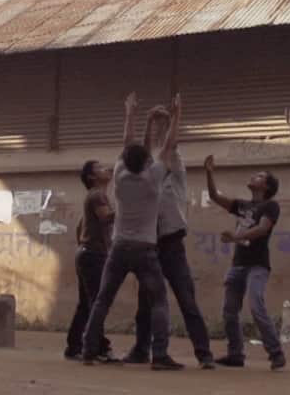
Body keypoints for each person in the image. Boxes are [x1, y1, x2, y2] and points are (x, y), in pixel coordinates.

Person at [81, 92, 185, 371]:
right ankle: (160, 355)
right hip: (145, 249)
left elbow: (127, 142)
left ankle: (88, 350)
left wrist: (132, 114)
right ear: (147, 163)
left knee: (103, 299)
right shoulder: (153, 178)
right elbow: (168, 146)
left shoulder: (119, 175)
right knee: (159, 301)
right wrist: (176, 116)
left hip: (118, 246)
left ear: (126, 161)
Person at [122, 95, 216, 369]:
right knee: (145, 304)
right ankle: (141, 350)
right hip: (150, 245)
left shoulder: (175, 174)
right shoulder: (149, 176)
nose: (162, 156)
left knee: (187, 300)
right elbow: (142, 151)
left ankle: (204, 354)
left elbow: (169, 145)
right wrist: (150, 121)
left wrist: (176, 116)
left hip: (172, 245)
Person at [204, 154, 286, 371]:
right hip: (238, 264)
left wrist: (236, 237)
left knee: (256, 305)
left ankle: (276, 353)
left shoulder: (271, 206)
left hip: (257, 266)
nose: (254, 176)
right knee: (229, 310)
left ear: (266, 186)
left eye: (260, 176)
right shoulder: (241, 205)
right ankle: (235, 354)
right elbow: (214, 195)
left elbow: (262, 229)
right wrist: (209, 173)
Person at [63, 159, 116, 362]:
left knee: (87, 304)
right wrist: (131, 211)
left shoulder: (96, 196)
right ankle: (99, 347)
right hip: (93, 256)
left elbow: (80, 226)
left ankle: (74, 346)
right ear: (92, 177)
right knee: (97, 303)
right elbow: (105, 218)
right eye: (101, 168)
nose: (108, 169)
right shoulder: (97, 195)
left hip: (88, 254)